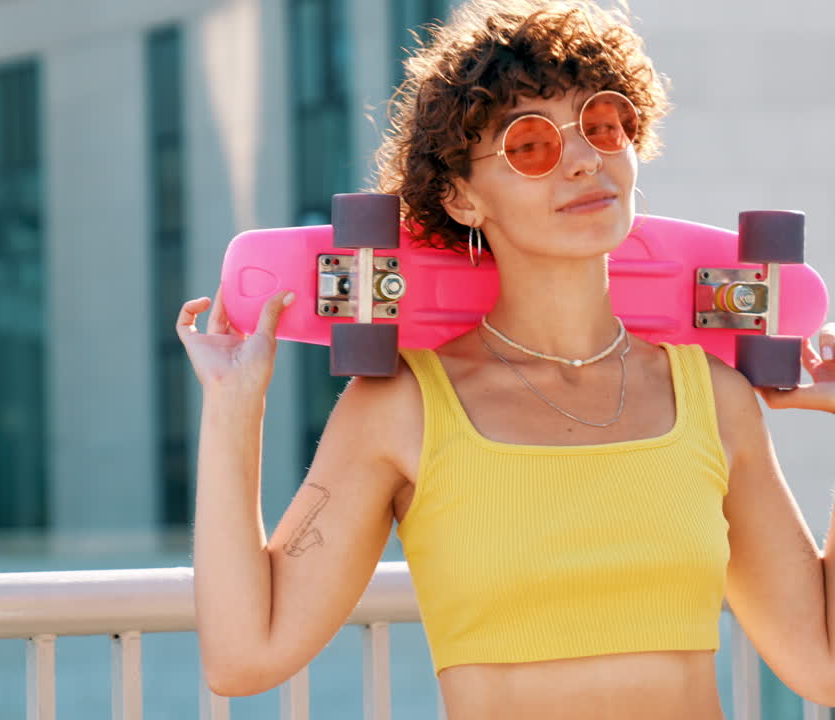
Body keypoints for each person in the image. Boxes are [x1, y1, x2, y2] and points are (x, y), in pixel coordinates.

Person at [175, 0, 835, 717]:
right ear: (461, 197)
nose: (585, 159)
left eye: (604, 126)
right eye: (530, 145)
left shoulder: (712, 397)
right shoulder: (401, 408)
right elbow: (245, 659)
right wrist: (234, 408)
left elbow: (824, 665)